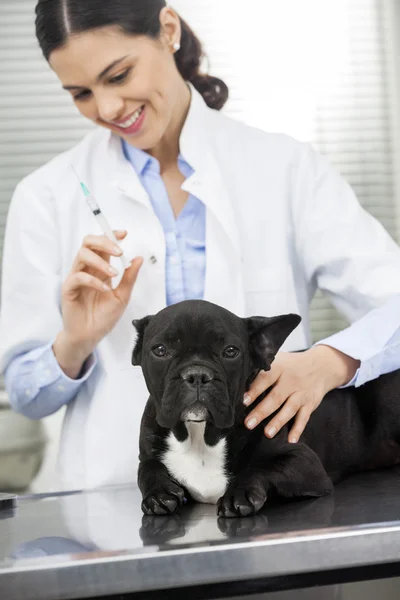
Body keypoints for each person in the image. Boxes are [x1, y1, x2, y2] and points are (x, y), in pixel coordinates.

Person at [1, 0, 400, 490]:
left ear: (167, 29)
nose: (106, 109)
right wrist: (74, 342)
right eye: (80, 93)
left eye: (119, 74)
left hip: (263, 488)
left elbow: (394, 303)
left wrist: (330, 362)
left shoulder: (283, 167)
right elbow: (25, 395)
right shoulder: (46, 195)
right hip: (113, 500)